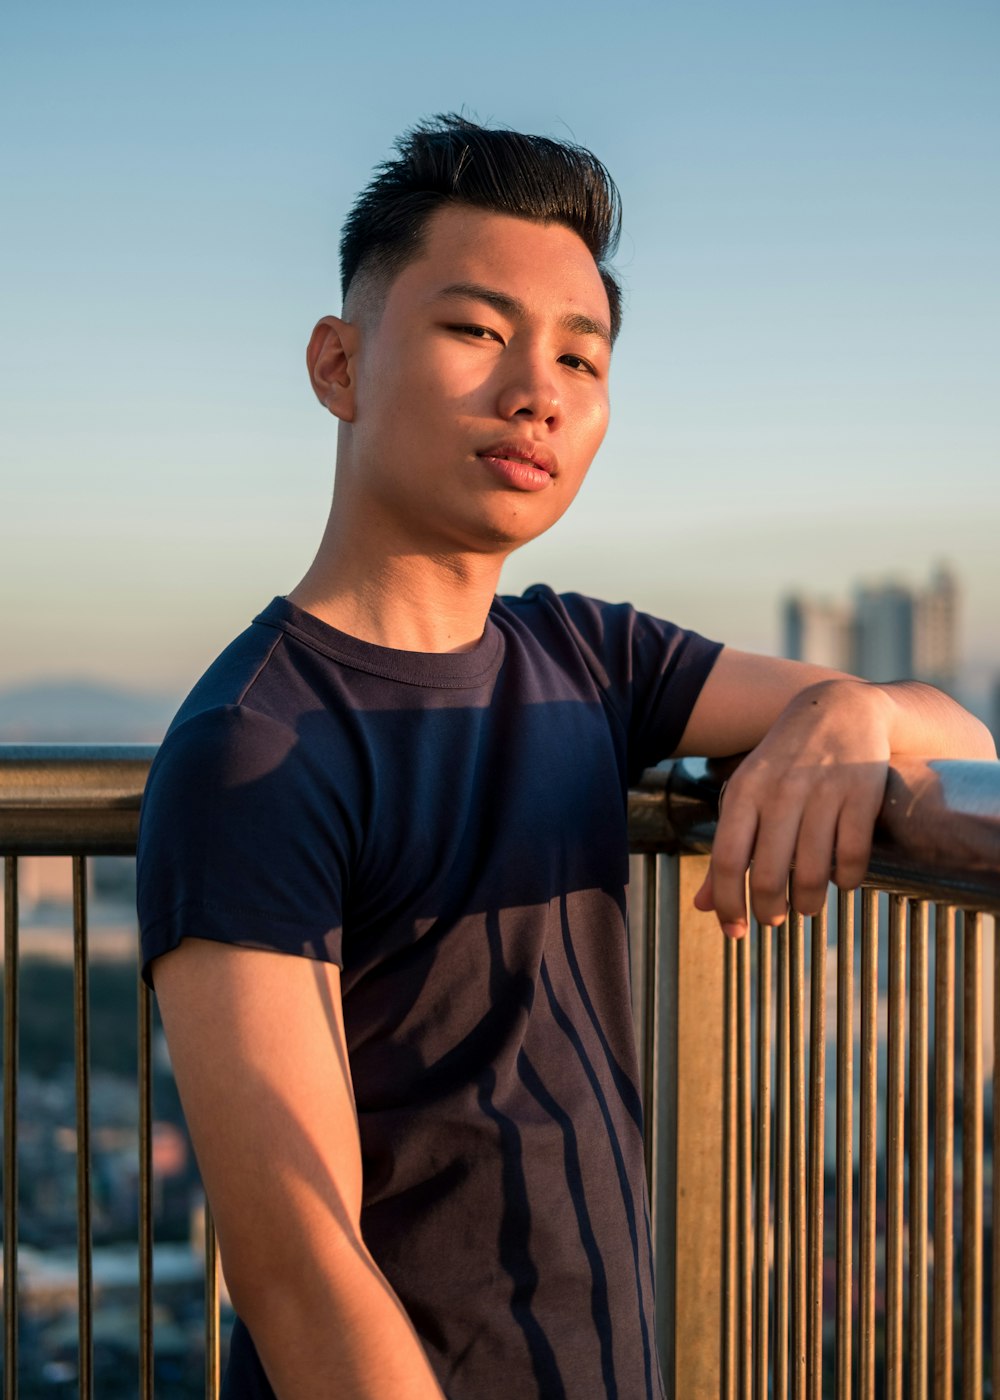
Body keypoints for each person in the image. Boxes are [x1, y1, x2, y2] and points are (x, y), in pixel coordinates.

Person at [136, 115, 994, 1400]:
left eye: (580, 357)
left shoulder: (586, 658)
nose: (537, 389)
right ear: (338, 363)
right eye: (476, 331)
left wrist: (845, 715)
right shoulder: (253, 748)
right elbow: (298, 1268)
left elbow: (962, 736)